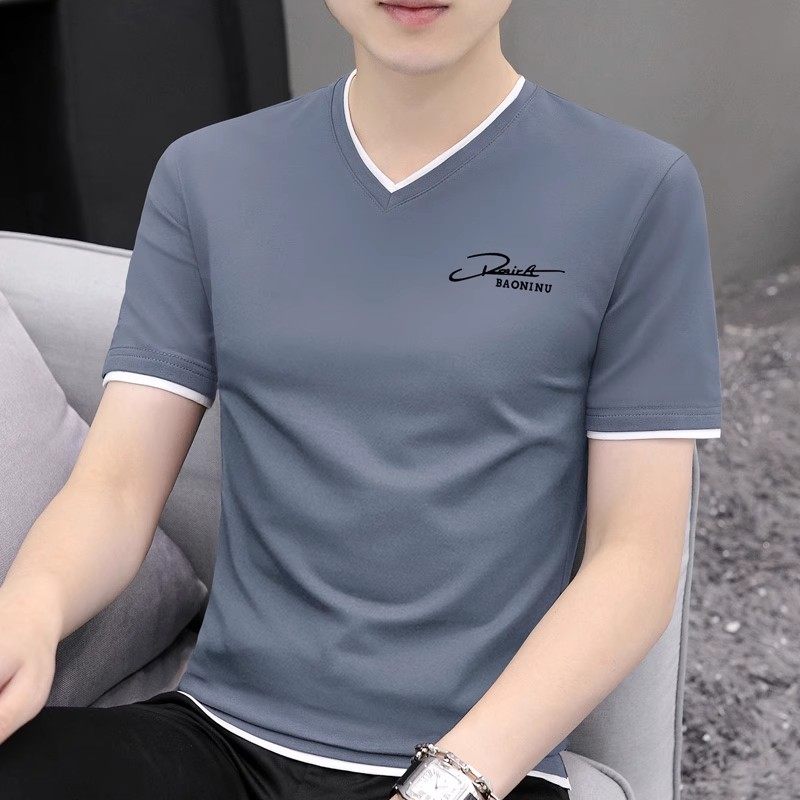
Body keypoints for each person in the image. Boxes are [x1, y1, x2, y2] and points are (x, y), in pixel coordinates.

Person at [0, 1, 723, 798]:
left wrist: (448, 783)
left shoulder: (638, 191)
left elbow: (635, 557)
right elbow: (115, 489)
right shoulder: (207, 175)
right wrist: (30, 609)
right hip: (220, 740)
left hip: (474, 768)